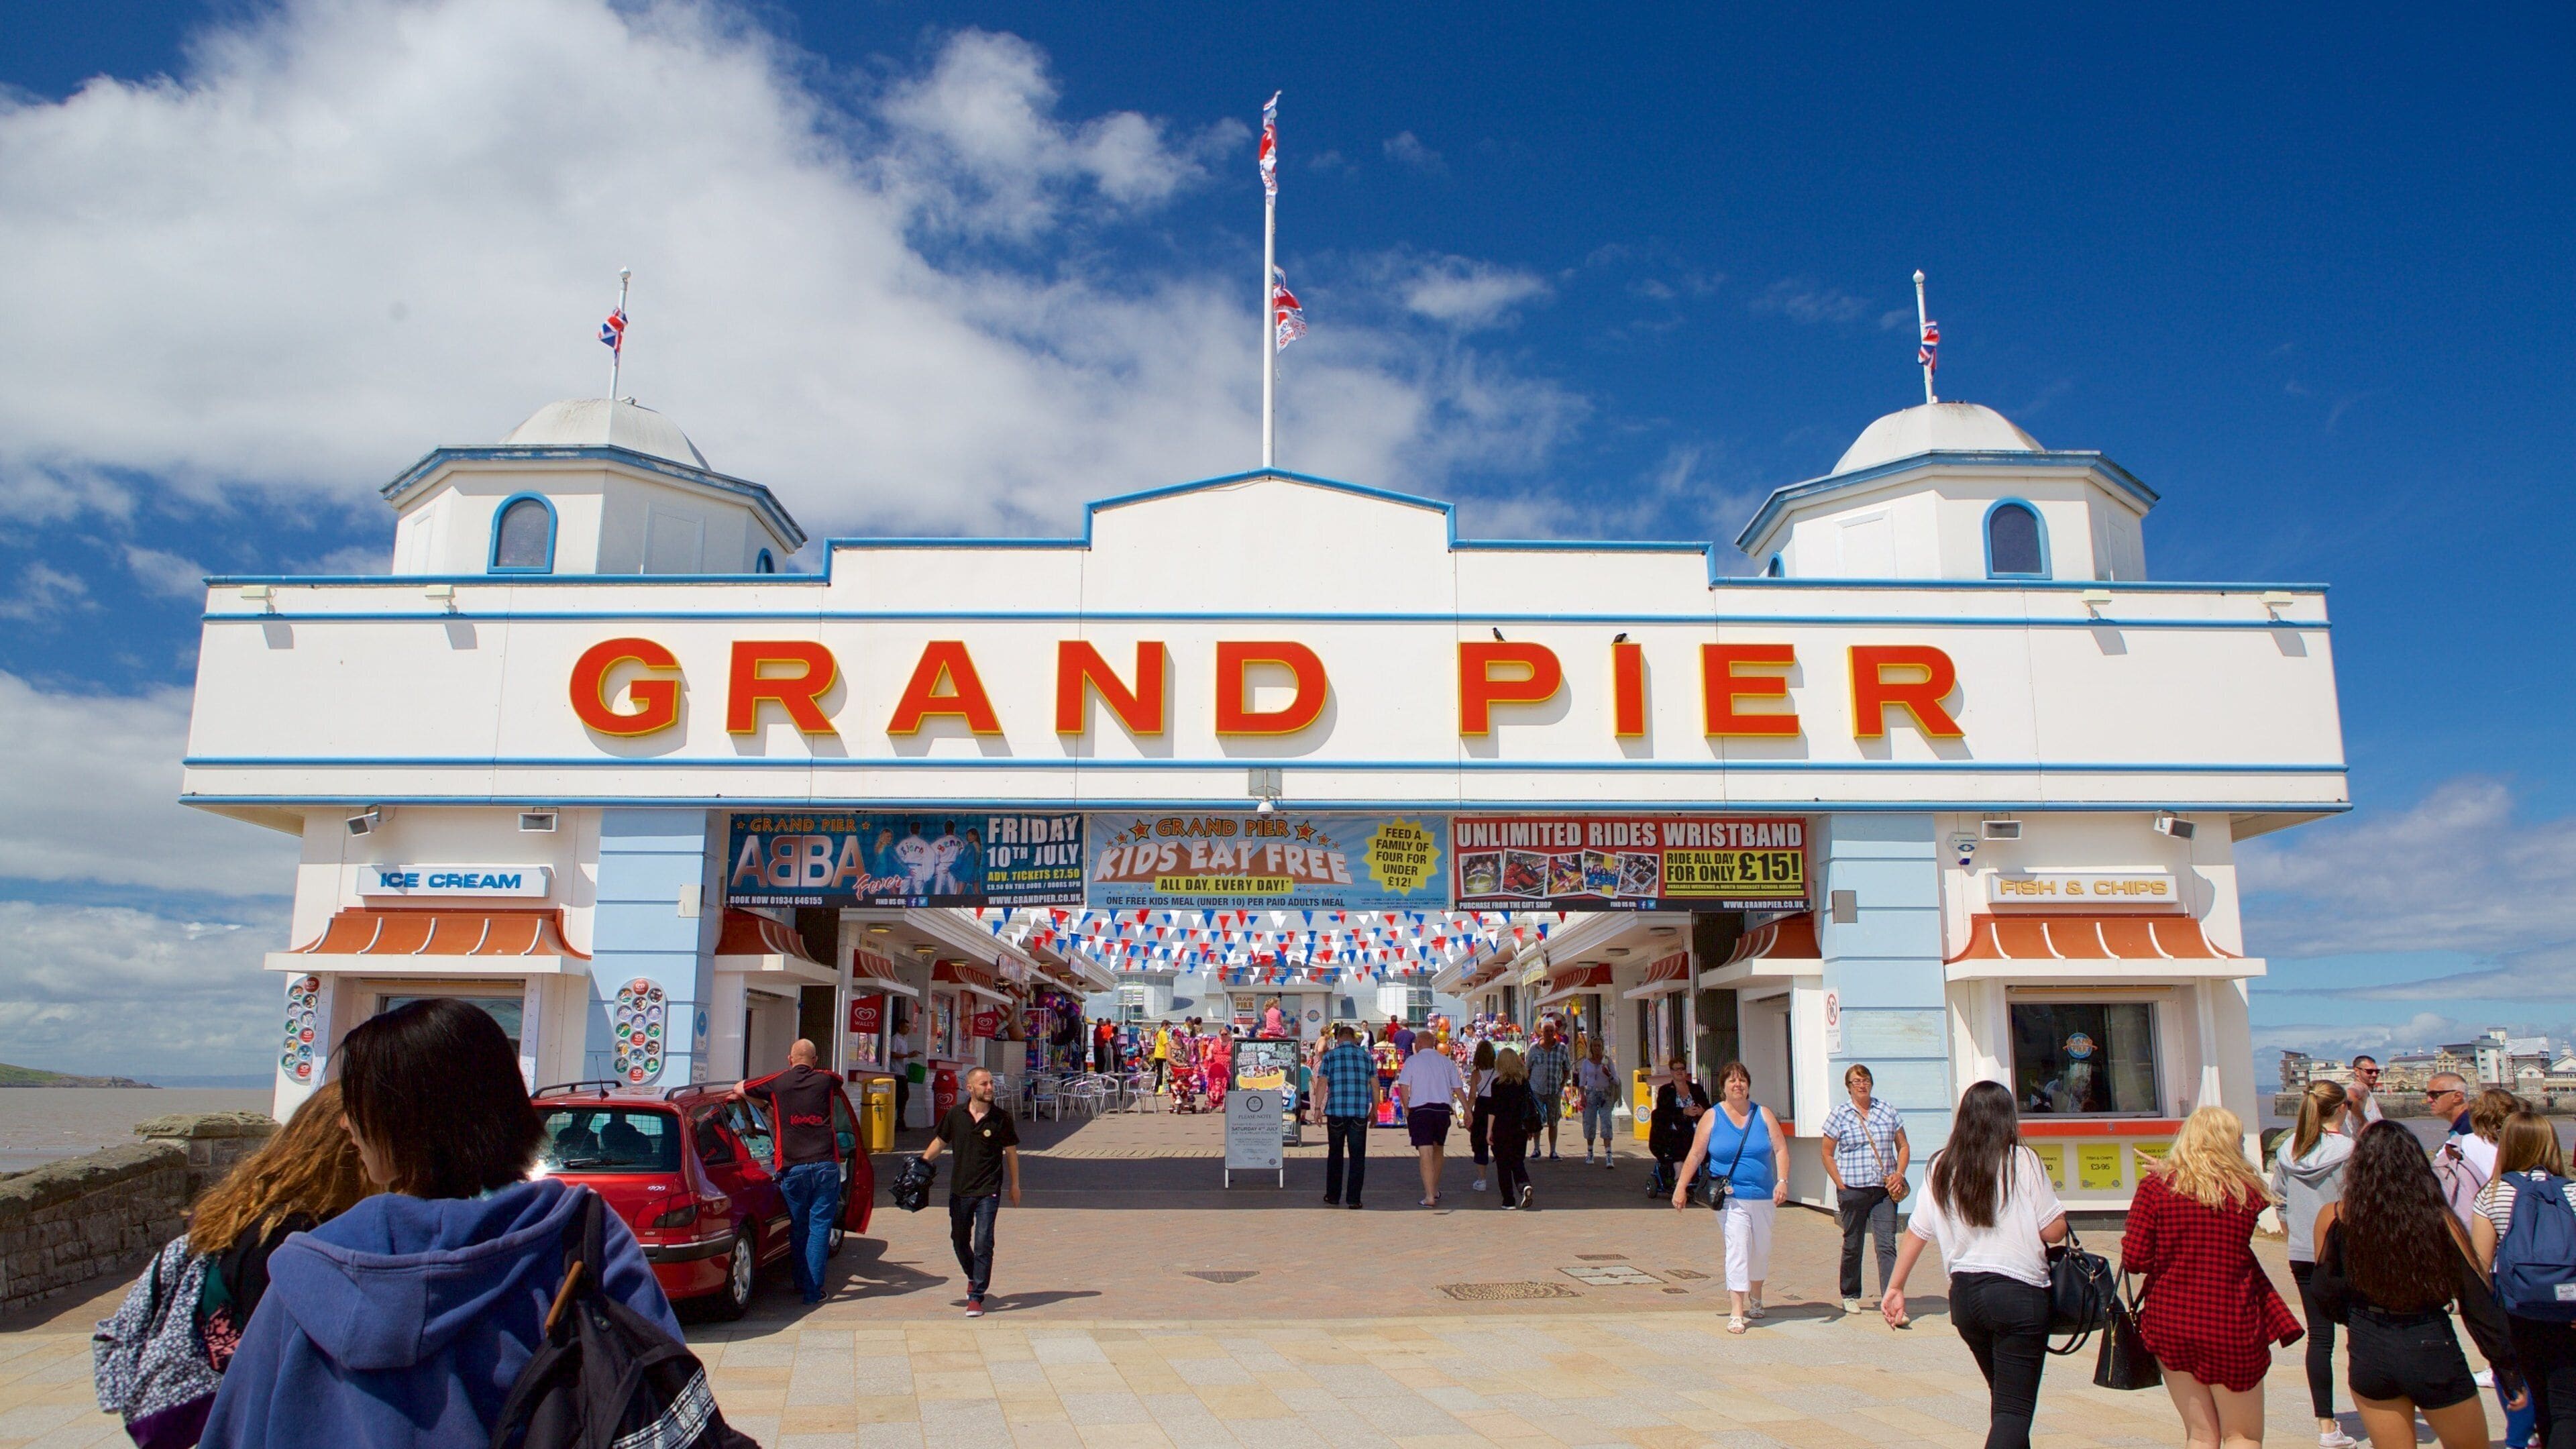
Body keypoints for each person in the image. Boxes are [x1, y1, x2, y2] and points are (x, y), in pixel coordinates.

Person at [198, 1000, 681, 1448]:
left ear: (402, 1118)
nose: (345, 1125)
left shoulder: (308, 1270)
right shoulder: (580, 1237)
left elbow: (238, 1429)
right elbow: (662, 1401)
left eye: (357, 1105)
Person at [94, 1083, 376, 1446]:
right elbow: (286, 1363)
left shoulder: (248, 1210)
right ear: (349, 1146)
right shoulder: (291, 1236)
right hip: (250, 1421)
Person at [2310, 1119, 2522, 1449]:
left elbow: (2324, 1293)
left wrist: (2356, 1315)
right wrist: (2507, 1368)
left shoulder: (2335, 1216)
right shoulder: (2439, 1220)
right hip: (2429, 1340)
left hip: (2369, 1343)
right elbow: (2475, 1299)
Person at [1880, 1079, 2068, 1449]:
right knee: (2014, 1412)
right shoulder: (2022, 1161)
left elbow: (1918, 1231)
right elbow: (2053, 1231)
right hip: (2019, 1295)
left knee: (2006, 1405)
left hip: (1966, 1299)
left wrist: (1896, 1286)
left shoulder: (1940, 1166)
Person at [2123, 1106, 2304, 1449]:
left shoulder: (2155, 1189)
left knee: (2200, 1434)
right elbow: (2216, 1198)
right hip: (2231, 1320)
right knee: (2243, 1435)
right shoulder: (2247, 1191)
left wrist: (2167, 1175)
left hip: (2170, 1319)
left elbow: (2135, 1259)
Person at [2469, 1111, 2576, 1447]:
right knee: (2568, 1406)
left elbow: (2480, 1268)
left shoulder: (2492, 1194)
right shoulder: (2573, 1192)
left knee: (2539, 1401)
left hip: (2518, 1312)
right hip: (2569, 1311)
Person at [1671, 1061, 1788, 1334]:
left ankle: (1756, 1298)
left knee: (1759, 1248)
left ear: (1748, 1085)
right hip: (1730, 1198)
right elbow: (1696, 1154)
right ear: (1723, 1087)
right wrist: (1681, 1187)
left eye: (1742, 1080)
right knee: (1737, 1247)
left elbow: (1781, 1150)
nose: (1738, 1085)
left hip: (1762, 1195)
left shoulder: (1764, 1115)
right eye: (1732, 1081)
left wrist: (1782, 1181)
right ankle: (1737, 1311)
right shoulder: (1713, 1116)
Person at [2273, 1079, 2359, 1448]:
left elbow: (2279, 1201)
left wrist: (2298, 1231)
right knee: (2361, 1335)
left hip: (2303, 1253)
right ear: (2342, 1109)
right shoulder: (2350, 1150)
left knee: (2320, 1339)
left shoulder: (2288, 1150)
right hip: (2345, 1253)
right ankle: (2376, 1408)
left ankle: (2326, 1426)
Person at [738, 1037, 847, 1307]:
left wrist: (766, 1104)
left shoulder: (778, 1083)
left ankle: (800, 1282)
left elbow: (738, 1088)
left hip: (792, 1166)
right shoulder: (826, 1081)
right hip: (824, 1164)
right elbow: (839, 1079)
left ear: (789, 1060)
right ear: (816, 1061)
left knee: (799, 1227)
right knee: (820, 1227)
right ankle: (812, 1291)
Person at [918, 1066, 1022, 1318]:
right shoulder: (955, 1115)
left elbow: (1011, 1153)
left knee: (984, 1241)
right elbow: (940, 1143)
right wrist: (920, 1165)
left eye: (991, 1084)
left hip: (989, 1189)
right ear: (970, 1088)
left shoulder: (1001, 1118)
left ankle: (976, 1296)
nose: (989, 1088)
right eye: (984, 1084)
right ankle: (972, 1275)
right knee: (959, 1240)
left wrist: (1015, 1185)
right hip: (960, 1189)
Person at [1819, 1063, 1911, 1318]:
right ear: (1848, 1088)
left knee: (1886, 1244)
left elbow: (1903, 1146)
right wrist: (1840, 1183)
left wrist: (1899, 1174)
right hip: (1854, 1189)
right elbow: (1827, 1153)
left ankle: (1892, 1298)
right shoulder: (1840, 1114)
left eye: (1865, 1079)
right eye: (1856, 1081)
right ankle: (1850, 1294)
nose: (1862, 1084)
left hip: (1884, 1190)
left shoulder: (1886, 1110)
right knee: (1853, 1243)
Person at [1393, 1034, 1467, 1208]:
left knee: (1425, 1152)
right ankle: (1434, 1189)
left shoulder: (1412, 1061)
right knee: (1438, 1149)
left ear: (1419, 1044)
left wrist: (1406, 1107)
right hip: (1442, 1110)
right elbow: (1458, 1087)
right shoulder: (1446, 1061)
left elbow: (1403, 1085)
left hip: (1420, 1110)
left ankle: (1429, 1196)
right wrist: (1467, 1110)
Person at [1316, 1023, 1375, 1209]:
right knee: (1357, 1156)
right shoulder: (1366, 1057)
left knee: (1335, 1154)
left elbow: (1322, 1082)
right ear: (1354, 1038)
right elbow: (1375, 1084)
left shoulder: (1330, 1056)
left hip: (1336, 1112)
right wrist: (1375, 1110)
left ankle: (1333, 1196)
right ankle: (1354, 1199)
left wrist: (1317, 1107)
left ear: (1339, 1038)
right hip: (1359, 1112)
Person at [1648, 1056, 1710, 1201]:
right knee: (1679, 1141)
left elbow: (1708, 1107)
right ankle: (1679, 1177)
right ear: (1671, 1071)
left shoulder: (1696, 1089)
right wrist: (1683, 1112)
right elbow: (1662, 1112)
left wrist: (1702, 1111)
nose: (1680, 1072)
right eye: (1676, 1069)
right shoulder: (1666, 1090)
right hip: (1674, 1129)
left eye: (1682, 1069)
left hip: (1695, 1127)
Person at [1489, 1047, 1538, 1210]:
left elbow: (1493, 1110)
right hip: (1520, 1129)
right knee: (1517, 1161)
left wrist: (1489, 1131)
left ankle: (1508, 1201)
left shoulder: (1497, 1084)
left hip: (1501, 1129)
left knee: (1503, 1165)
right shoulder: (1523, 1083)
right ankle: (1524, 1185)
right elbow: (1528, 1107)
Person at [1527, 1025, 1571, 1161]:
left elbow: (1567, 1068)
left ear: (1555, 1032)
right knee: (1537, 1121)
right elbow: (1527, 1069)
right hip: (1536, 1090)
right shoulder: (1534, 1048)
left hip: (1554, 1090)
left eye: (1551, 1031)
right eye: (1546, 1031)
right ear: (1541, 1032)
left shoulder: (1562, 1048)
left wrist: (1562, 1084)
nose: (1549, 1033)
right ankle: (1536, 1149)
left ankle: (1553, 1151)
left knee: (1553, 1121)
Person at [1574, 1038, 1620, 1168]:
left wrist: (1609, 1074)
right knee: (1589, 1122)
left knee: (1606, 1123)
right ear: (1591, 1048)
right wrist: (1582, 1096)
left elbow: (1616, 1081)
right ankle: (1590, 1152)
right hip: (1591, 1095)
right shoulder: (1586, 1063)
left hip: (1605, 1095)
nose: (1597, 1048)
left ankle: (1609, 1156)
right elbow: (1582, 1081)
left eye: (1599, 1046)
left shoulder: (1607, 1061)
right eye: (1594, 1046)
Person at [1466, 1039, 1498, 1193]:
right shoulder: (1500, 1071)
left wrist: (1468, 1113)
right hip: (1498, 1107)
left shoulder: (1476, 1074)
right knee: (1500, 1142)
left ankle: (1482, 1179)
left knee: (1480, 1144)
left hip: (1482, 1108)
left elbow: (1472, 1096)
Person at [889, 1008, 917, 1128]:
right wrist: (907, 1055)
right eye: (906, 1027)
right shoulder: (896, 1038)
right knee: (900, 1097)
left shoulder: (904, 1040)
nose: (908, 1030)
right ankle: (895, 1121)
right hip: (896, 1072)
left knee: (904, 1097)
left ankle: (900, 1120)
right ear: (900, 1027)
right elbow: (893, 1054)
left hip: (903, 1071)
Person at [2343, 1057, 2386, 1126]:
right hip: (2369, 1135)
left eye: (2377, 1072)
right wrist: (2363, 1121)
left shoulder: (2364, 1089)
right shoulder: (2361, 1087)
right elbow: (2350, 1096)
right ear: (2357, 1071)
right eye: (2370, 1071)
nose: (2374, 1075)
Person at [1151, 1022, 1173, 1094]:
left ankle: (1157, 1088)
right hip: (1162, 1055)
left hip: (1157, 1054)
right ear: (1165, 1025)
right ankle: (1163, 1088)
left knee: (1159, 1072)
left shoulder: (1158, 1032)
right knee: (1165, 1073)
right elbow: (1166, 1044)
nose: (1168, 1029)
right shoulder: (1163, 1033)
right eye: (1168, 1027)